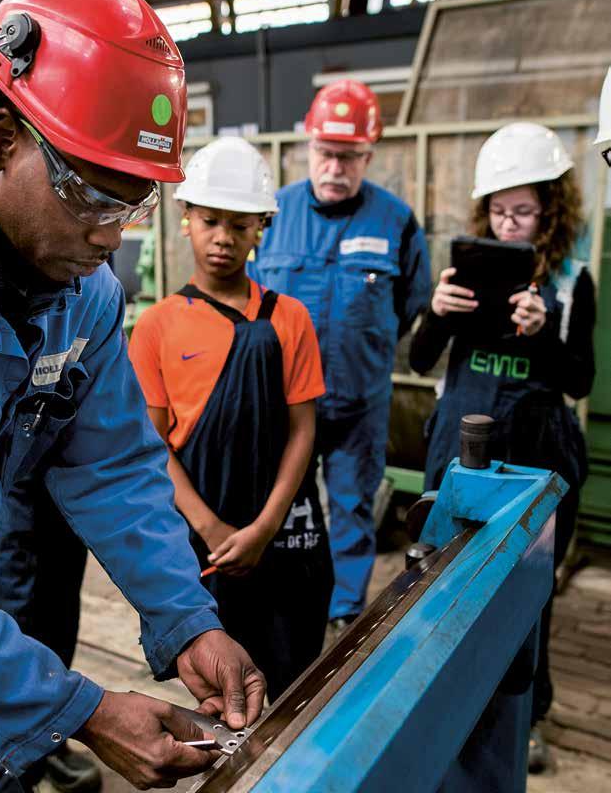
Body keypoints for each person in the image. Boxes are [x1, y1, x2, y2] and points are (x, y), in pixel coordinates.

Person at [0, 0, 266, 793]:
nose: (109, 236)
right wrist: (78, 710)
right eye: (86, 193)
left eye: (133, 199)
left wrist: (186, 622)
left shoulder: (86, 299)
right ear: (0, 138)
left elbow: (110, 466)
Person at [409, 122, 595, 774]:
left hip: (536, 456)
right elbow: (422, 355)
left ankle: (528, 714)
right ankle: (439, 698)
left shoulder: (572, 284)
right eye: (496, 210)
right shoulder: (465, 271)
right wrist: (435, 310)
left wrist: (542, 333)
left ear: (548, 211)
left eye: (521, 211)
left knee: (525, 595)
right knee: (442, 581)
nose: (508, 225)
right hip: (459, 453)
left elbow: (580, 379)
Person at [129, 137, 334, 702]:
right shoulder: (157, 327)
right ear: (185, 219)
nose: (223, 238)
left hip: (285, 531)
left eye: (240, 226)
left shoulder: (290, 318)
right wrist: (212, 529)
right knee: (223, 686)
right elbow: (154, 444)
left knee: (293, 675)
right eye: (211, 220)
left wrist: (267, 526)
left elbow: (302, 431)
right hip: (204, 536)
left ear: (260, 228)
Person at [249, 79, 431, 628]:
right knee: (282, 502)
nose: (336, 168)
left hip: (358, 402)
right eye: (326, 153)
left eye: (350, 157)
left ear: (369, 155)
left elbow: (412, 302)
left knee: (352, 506)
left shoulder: (396, 221)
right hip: (285, 402)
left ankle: (345, 613)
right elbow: (248, 299)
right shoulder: (271, 214)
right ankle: (282, 594)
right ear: (309, 145)